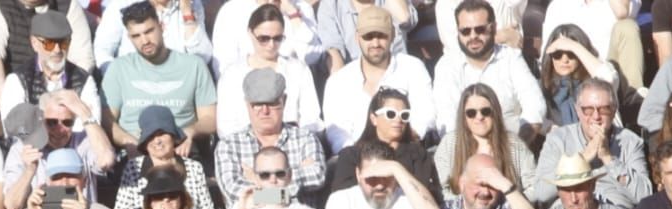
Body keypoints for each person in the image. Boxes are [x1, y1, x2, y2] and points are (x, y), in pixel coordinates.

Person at [100, 1, 217, 148]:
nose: (145, 41)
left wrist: (190, 132)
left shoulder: (193, 66)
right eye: (136, 36)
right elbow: (107, 119)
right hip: (134, 152)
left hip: (181, 148)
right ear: (129, 38)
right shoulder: (118, 68)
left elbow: (210, 118)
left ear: (162, 27)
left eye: (149, 31)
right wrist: (129, 142)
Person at [320, 7, 436, 153]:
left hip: (405, 151)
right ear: (357, 38)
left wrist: (400, 144)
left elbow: (425, 116)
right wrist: (363, 156)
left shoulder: (412, 67)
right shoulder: (338, 81)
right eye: (368, 36)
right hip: (356, 159)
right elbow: (337, 134)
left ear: (393, 35)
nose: (375, 43)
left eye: (381, 36)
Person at [212, 68, 326, 209]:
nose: (265, 111)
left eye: (272, 103)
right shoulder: (229, 146)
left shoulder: (305, 138)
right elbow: (236, 192)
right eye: (258, 104)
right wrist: (290, 181)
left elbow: (317, 176)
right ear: (247, 104)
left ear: (284, 101)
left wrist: (257, 178)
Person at [531, 78, 651, 209]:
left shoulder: (630, 141)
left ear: (613, 110)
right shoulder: (558, 139)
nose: (596, 117)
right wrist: (581, 160)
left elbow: (644, 196)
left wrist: (608, 158)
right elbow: (541, 194)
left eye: (603, 109)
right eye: (588, 110)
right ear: (577, 110)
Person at [434, 0, 545, 140]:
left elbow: (535, 106)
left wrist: (518, 146)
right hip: (466, 150)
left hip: (511, 143)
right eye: (465, 31)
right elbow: (448, 122)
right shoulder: (446, 66)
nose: (473, 36)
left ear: (493, 28)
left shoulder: (511, 57)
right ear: (458, 32)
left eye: (480, 30)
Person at [214, 4, 322, 140]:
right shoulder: (232, 75)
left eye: (277, 38)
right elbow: (226, 127)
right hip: (245, 148)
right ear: (250, 33)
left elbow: (312, 120)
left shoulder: (298, 70)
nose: (271, 45)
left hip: (294, 146)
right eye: (264, 39)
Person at [2, 94, 116, 209]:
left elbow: (107, 161)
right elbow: (12, 206)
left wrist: (85, 113)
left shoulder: (85, 141)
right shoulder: (22, 148)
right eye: (51, 122)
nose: (59, 129)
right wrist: (30, 170)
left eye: (67, 122)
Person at [111, 105, 216, 209]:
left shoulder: (194, 168)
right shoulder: (134, 168)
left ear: (173, 136)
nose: (157, 141)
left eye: (162, 134)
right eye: (151, 136)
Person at [0, 10, 98, 127]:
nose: (57, 50)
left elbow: (91, 130)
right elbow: (14, 130)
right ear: (34, 43)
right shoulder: (17, 80)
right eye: (49, 44)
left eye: (63, 43)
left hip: (74, 144)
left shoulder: (84, 81)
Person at [434, 83, 535, 202]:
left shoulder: (514, 144)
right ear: (464, 116)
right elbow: (441, 188)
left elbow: (534, 186)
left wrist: (511, 205)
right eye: (471, 113)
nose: (479, 117)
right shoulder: (449, 143)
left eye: (485, 111)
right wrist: (465, 208)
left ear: (495, 112)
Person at [0, 0, 93, 99]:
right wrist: (6, 100)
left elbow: (83, 57)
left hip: (63, 89)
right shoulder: (1, 5)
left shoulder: (67, 4)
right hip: (15, 89)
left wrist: (69, 97)